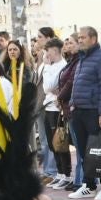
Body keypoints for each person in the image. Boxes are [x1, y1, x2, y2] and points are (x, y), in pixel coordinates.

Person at [67, 26, 101, 200]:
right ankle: (89, 185)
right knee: (84, 151)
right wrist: (72, 104)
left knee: (99, 150)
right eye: (78, 38)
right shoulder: (82, 59)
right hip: (78, 111)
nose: (80, 40)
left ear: (93, 39)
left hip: (94, 112)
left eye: (83, 37)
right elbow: (77, 84)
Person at [36, 36, 67, 181]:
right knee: (50, 143)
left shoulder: (61, 65)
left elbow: (48, 86)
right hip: (48, 107)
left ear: (54, 51)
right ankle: (59, 174)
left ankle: (64, 174)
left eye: (47, 51)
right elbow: (47, 87)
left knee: (58, 143)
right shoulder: (51, 65)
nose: (45, 55)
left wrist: (47, 66)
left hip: (56, 109)